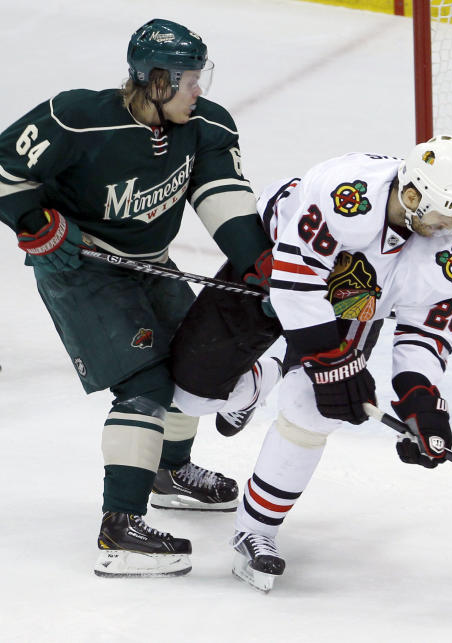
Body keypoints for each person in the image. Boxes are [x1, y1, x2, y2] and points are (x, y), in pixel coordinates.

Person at [0, 18, 275, 577]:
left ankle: (169, 472)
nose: (200, 89)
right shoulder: (75, 117)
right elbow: (6, 172)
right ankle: (120, 528)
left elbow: (224, 197)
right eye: (189, 79)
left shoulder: (206, 124)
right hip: (81, 266)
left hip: (151, 263)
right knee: (145, 383)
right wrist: (35, 221)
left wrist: (263, 268)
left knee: (191, 361)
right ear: (154, 80)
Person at [223, 136, 452, 592]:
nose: (451, 224)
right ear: (413, 196)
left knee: (312, 409)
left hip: (356, 290)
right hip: (283, 247)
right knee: (207, 387)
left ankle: (256, 529)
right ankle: (259, 379)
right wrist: (328, 360)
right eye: (445, 211)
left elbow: (430, 329)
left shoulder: (442, 246)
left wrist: (422, 400)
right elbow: (297, 280)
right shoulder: (350, 199)